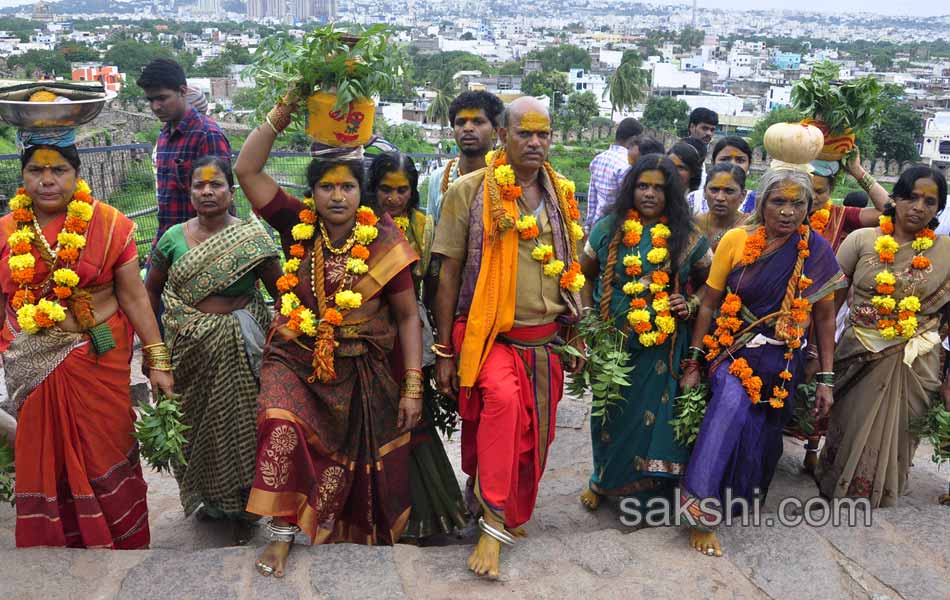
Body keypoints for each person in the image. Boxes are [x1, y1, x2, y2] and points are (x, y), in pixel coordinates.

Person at [234, 96, 423, 578]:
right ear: (312, 192)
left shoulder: (385, 243)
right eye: (325, 187)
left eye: (346, 187)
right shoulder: (297, 225)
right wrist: (286, 105)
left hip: (360, 365)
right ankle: (280, 535)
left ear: (363, 194)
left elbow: (406, 318)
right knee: (280, 425)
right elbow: (247, 169)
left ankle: (344, 532)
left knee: (354, 462)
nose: (336, 196)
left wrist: (413, 385)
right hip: (294, 355)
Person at [431, 97, 585, 578]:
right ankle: (493, 526)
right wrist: (443, 349)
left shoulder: (562, 193)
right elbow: (448, 271)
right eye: (525, 133)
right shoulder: (470, 191)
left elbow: (573, 270)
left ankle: (493, 502)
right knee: (500, 407)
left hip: (546, 340)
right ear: (504, 136)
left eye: (544, 134)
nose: (536, 143)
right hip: (490, 334)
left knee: (534, 438)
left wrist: (576, 334)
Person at [0, 132, 174, 549]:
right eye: (36, 170)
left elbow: (134, 296)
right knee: (44, 455)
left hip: (97, 360)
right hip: (30, 361)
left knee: (107, 446)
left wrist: (158, 359)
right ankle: (55, 547)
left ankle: (118, 542)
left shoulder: (110, 224)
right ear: (21, 177)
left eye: (58, 170)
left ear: (77, 175)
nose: (47, 180)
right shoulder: (6, 230)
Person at [679, 168, 846, 557]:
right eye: (778, 201)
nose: (788, 212)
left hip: (783, 360)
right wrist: (694, 360)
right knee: (729, 410)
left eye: (798, 203)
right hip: (734, 351)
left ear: (808, 207)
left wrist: (825, 380)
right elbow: (708, 303)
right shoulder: (738, 240)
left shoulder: (817, 250)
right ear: (761, 203)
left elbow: (824, 318)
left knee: (761, 436)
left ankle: (734, 498)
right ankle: (699, 513)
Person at [145, 156, 282, 545]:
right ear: (188, 193)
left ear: (230, 191)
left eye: (216, 184)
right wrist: (152, 349)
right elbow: (150, 290)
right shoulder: (172, 239)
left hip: (242, 347)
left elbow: (280, 292)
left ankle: (245, 504)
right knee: (196, 425)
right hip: (189, 351)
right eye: (198, 186)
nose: (207, 192)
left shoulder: (253, 238)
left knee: (242, 424)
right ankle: (208, 499)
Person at [579, 154, 711, 511]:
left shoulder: (688, 236)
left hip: (663, 347)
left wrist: (692, 303)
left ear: (672, 192)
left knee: (656, 417)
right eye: (642, 186)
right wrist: (588, 315)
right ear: (630, 189)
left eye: (659, 187)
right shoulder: (608, 227)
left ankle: (650, 492)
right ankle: (602, 481)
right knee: (609, 414)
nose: (650, 194)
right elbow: (585, 274)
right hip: (616, 339)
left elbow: (710, 285)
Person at [817, 167, 950, 508]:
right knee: (852, 420)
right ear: (896, 199)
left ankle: (886, 489)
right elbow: (827, 305)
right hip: (859, 349)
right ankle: (839, 481)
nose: (918, 206)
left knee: (902, 428)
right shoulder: (861, 240)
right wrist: (819, 356)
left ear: (938, 209)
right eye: (911, 197)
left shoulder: (946, 251)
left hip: (917, 358)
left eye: (929, 201)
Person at [366, 151, 468, 542]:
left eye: (402, 190)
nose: (394, 198)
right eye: (386, 190)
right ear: (373, 190)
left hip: (411, 334)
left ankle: (424, 513)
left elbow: (433, 283)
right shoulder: (364, 225)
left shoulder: (424, 226)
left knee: (412, 416)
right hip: (370, 333)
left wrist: (435, 345)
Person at [138, 58, 232, 250]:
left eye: (162, 98)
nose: (155, 106)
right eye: (150, 100)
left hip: (202, 248)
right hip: (168, 242)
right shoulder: (165, 134)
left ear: (182, 91)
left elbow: (221, 202)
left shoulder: (207, 135)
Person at [425, 91, 504, 225]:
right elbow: (430, 235)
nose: (467, 128)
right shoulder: (438, 178)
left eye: (478, 122)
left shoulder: (510, 177)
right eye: (461, 122)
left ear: (496, 131)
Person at [586, 117, 643, 229]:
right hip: (616, 228)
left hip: (597, 226)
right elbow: (627, 202)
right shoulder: (627, 164)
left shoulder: (599, 158)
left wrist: (588, 226)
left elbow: (592, 197)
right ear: (633, 140)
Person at [686, 136, 756, 215]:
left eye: (740, 160)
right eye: (725, 159)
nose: (732, 165)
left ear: (749, 165)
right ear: (713, 163)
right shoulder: (694, 199)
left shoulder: (758, 203)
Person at [692, 163, 750, 252]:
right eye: (714, 190)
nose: (720, 198)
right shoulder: (694, 225)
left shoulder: (750, 227)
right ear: (704, 191)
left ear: (743, 195)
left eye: (729, 191)